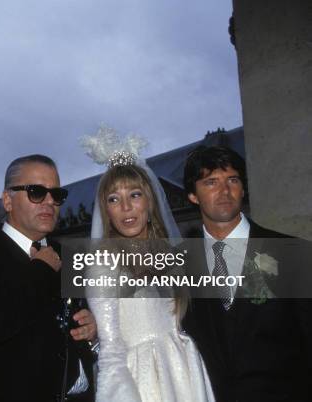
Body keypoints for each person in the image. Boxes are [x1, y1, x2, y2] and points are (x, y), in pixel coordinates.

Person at [81, 127, 214, 402]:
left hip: (185, 371)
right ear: (105, 210)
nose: (126, 207)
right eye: (114, 199)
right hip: (142, 380)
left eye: (135, 195)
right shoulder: (103, 264)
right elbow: (111, 351)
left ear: (149, 202)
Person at [0, 154, 97, 402]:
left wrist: (91, 330)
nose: (50, 202)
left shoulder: (66, 255)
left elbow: (71, 328)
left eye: (57, 194)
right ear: (8, 200)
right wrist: (40, 270)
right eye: (37, 192)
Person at [182, 145, 312, 402]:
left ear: (243, 188)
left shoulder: (294, 253)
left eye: (232, 179)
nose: (224, 191)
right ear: (192, 196)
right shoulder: (179, 264)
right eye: (210, 182)